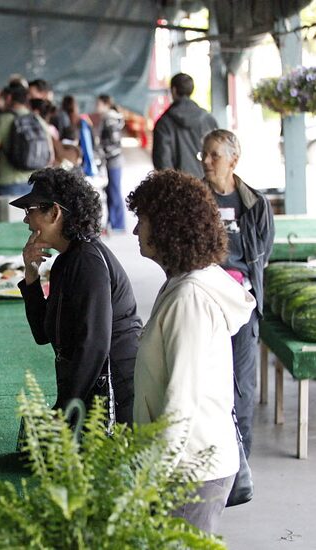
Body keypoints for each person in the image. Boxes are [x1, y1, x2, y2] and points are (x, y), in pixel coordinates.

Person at [127, 170, 255, 533]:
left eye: (143, 220)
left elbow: (182, 401)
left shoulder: (190, 298)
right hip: (187, 465)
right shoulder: (182, 283)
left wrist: (149, 479)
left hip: (190, 471)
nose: (136, 231)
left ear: (167, 226)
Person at [15, 168, 142, 424]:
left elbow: (93, 346)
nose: (26, 221)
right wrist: (31, 275)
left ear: (55, 212)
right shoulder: (67, 259)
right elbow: (43, 333)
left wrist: (65, 413)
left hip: (117, 397)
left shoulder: (87, 262)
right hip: (91, 392)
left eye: (31, 210)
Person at [201, 130, 275, 457]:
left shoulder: (255, 204)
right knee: (204, 383)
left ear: (234, 160)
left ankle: (239, 463)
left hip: (242, 304)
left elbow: (263, 252)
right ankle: (209, 459)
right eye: (204, 154)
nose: (206, 160)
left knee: (242, 386)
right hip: (202, 302)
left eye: (214, 155)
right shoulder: (195, 201)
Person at [0, 85, 52, 197]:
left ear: (9, 97)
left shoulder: (3, 120)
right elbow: (50, 156)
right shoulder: (38, 120)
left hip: (6, 183)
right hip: (33, 184)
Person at [152, 73, 219, 179]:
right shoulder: (208, 119)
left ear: (173, 90)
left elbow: (162, 161)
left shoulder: (163, 123)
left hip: (179, 188)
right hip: (205, 186)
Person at [95, 94, 126, 231]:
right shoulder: (109, 118)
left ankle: (118, 224)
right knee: (111, 190)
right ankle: (113, 222)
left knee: (114, 190)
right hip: (112, 159)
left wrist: (103, 152)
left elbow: (113, 142)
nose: (97, 107)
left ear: (106, 104)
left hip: (114, 159)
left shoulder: (110, 119)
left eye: (99, 104)